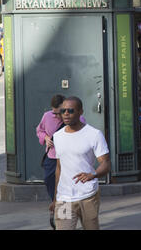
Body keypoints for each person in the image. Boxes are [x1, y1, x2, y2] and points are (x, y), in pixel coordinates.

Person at [50, 97, 110, 230]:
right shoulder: (58, 136)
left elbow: (106, 164)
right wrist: (55, 199)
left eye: (70, 110)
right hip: (63, 199)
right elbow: (59, 169)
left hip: (88, 196)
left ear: (80, 112)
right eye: (63, 111)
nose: (66, 113)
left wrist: (93, 174)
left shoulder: (94, 134)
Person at [36, 94, 86, 229]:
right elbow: (39, 130)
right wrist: (45, 138)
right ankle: (58, 210)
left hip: (69, 159)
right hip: (52, 158)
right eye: (55, 113)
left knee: (66, 188)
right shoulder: (47, 116)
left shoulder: (76, 118)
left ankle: (64, 218)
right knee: (50, 182)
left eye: (60, 112)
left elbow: (85, 134)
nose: (58, 116)